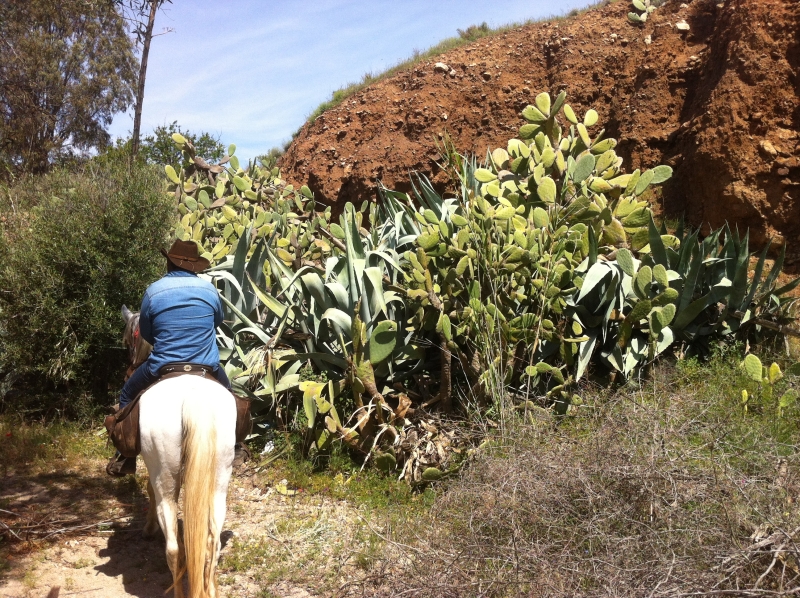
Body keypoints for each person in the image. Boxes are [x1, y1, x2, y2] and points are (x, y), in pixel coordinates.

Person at [106, 239, 233, 476]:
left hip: (163, 365)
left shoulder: (153, 291)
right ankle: (236, 443)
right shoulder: (210, 290)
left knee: (126, 394)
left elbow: (147, 333)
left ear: (168, 263)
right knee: (231, 395)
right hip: (207, 366)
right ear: (195, 266)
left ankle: (125, 454)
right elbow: (216, 322)